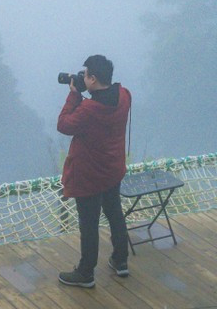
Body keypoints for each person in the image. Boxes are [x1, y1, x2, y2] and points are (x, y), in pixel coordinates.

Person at [56, 54, 131, 288]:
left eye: (86, 74)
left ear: (93, 78)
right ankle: (121, 261)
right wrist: (87, 92)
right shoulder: (124, 96)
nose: (83, 77)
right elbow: (103, 101)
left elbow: (64, 125)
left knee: (88, 223)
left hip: (89, 175)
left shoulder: (88, 109)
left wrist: (74, 94)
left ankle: (86, 273)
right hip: (113, 169)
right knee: (114, 213)